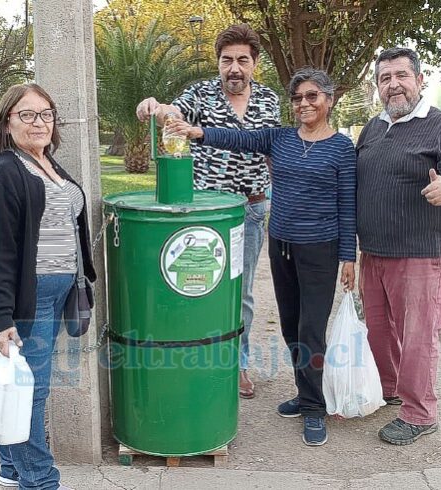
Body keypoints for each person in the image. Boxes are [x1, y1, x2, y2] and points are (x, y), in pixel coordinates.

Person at [167, 67, 356, 446]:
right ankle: (305, 395)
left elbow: (348, 204)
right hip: (281, 244)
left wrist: (349, 257)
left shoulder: (342, 148)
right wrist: (197, 132)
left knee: (310, 330)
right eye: (298, 97)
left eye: (312, 96)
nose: (304, 103)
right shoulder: (281, 139)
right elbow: (238, 138)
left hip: (319, 249)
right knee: (290, 326)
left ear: (329, 100)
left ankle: (315, 409)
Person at [136, 24, 281, 400]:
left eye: (242, 61)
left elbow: (269, 149)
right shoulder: (200, 93)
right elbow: (175, 111)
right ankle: (200, 360)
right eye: (227, 60)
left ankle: (238, 364)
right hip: (205, 214)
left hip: (250, 211)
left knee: (242, 293)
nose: (234, 68)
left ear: (254, 64)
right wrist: (156, 108)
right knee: (201, 288)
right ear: (218, 63)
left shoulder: (268, 100)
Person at [0, 83, 96, 489]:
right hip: (30, 296)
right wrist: (1, 317)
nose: (38, 122)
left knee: (22, 383)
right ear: (8, 121)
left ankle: (10, 466)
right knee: (31, 392)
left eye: (46, 113)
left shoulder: (48, 163)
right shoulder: (3, 172)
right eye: (27, 114)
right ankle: (40, 480)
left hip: (59, 290)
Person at [356, 47, 441, 446]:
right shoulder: (373, 128)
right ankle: (390, 390)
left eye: (401, 76)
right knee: (379, 330)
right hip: (374, 252)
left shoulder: (440, 126)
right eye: (384, 78)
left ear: (419, 80)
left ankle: (420, 413)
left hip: (421, 252)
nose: (393, 85)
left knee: (418, 337)